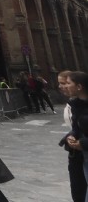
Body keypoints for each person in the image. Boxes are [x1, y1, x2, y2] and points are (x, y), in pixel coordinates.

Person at [59, 70, 88, 202]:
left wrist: (83, 143)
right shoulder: (75, 104)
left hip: (84, 151)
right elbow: (76, 127)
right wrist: (71, 136)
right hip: (78, 155)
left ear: (79, 86)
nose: (62, 86)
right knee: (79, 193)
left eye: (65, 83)